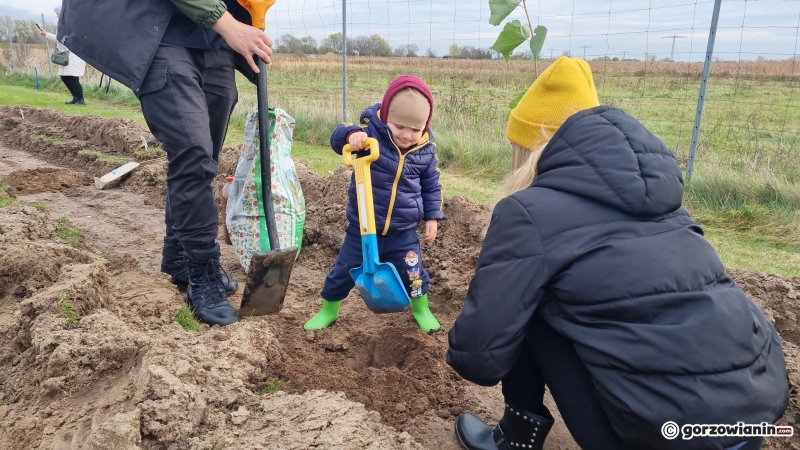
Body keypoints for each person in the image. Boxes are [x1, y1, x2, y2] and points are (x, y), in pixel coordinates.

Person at [447, 56, 789, 450]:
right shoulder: (669, 202)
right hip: (753, 419)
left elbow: (478, 357)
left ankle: (515, 437)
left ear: (530, 150)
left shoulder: (529, 212)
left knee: (531, 303)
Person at [57, 0, 275, 326]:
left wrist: (251, 26)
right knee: (194, 152)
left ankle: (177, 259)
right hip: (160, 34)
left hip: (214, 43)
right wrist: (230, 26)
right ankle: (202, 275)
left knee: (202, 163)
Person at [304, 75, 445, 333]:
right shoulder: (370, 133)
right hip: (362, 228)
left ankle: (421, 309)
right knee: (344, 270)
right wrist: (351, 136)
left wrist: (433, 216)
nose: (407, 135)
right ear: (385, 117)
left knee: (414, 272)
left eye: (415, 130)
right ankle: (328, 311)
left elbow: (431, 185)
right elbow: (337, 136)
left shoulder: (425, 150)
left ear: (425, 126)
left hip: (403, 232)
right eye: (400, 126)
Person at [40, 6, 86, 105]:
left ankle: (80, 99)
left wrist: (46, 34)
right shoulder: (65, 24)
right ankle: (75, 97)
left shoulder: (70, 24)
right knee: (65, 77)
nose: (57, 15)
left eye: (58, 13)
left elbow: (60, 38)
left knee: (73, 78)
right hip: (66, 54)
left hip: (74, 54)